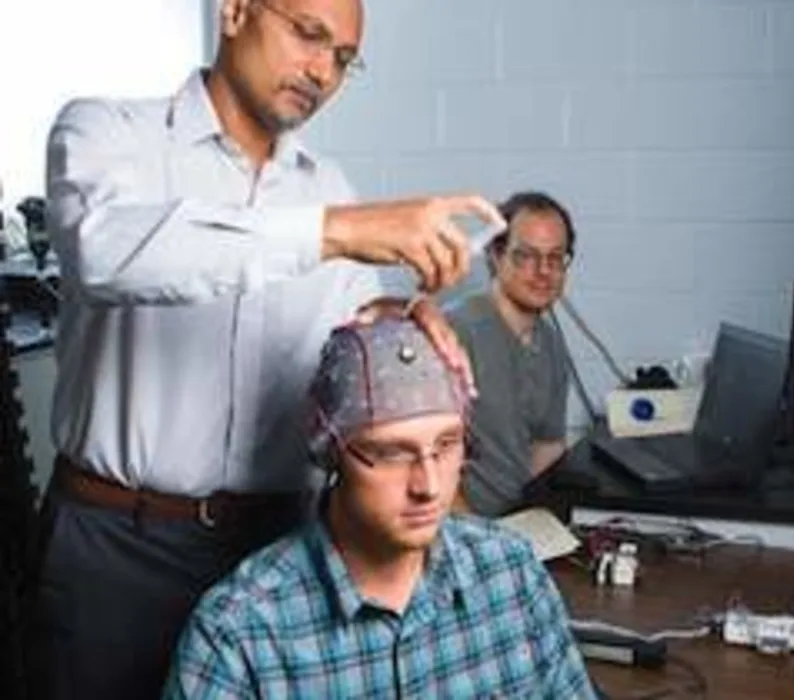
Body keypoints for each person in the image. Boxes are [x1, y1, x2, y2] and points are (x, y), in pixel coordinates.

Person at [32, 0, 503, 698]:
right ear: (234, 11)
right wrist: (336, 231)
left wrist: (397, 321)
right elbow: (105, 252)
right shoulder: (108, 133)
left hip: (278, 549)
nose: (321, 71)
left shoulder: (328, 190)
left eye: (344, 59)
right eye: (308, 35)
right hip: (117, 548)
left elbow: (341, 347)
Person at [162, 317, 597, 698]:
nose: (428, 486)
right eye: (391, 454)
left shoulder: (511, 575)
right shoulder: (241, 631)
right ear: (331, 452)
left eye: (446, 445)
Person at [448, 191, 575, 516]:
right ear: (495, 254)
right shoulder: (455, 332)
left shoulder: (550, 342)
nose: (544, 271)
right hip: (457, 527)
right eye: (527, 256)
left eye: (555, 257)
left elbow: (547, 446)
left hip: (515, 520)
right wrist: (478, 539)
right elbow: (417, 464)